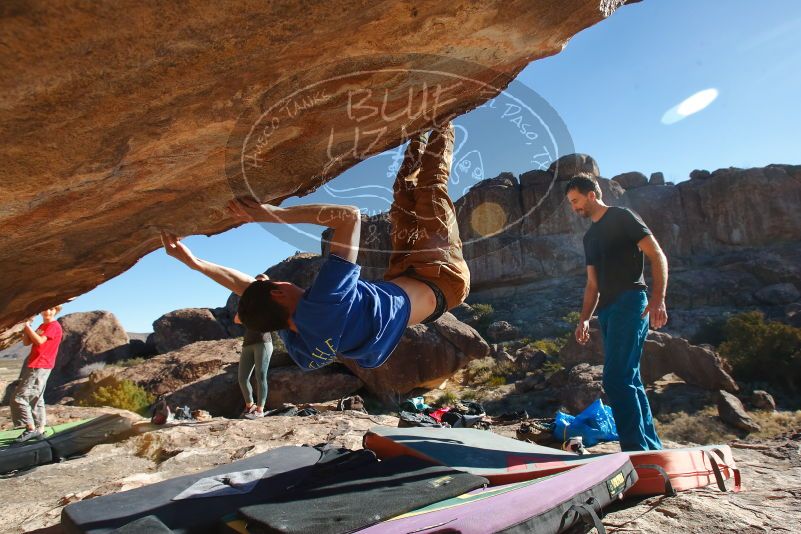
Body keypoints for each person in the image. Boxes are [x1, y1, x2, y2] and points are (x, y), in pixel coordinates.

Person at [161, 122, 468, 374]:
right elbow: (348, 217)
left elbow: (249, 293)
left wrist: (196, 264)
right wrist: (270, 214)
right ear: (278, 293)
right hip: (442, 276)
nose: (279, 281)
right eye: (274, 284)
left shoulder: (301, 343)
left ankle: (420, 131)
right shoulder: (324, 303)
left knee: (403, 193)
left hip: (406, 271)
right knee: (429, 188)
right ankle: (443, 116)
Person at [566, 173, 668, 452]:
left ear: (591, 194)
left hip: (632, 301)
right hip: (609, 311)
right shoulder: (589, 237)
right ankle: (650, 447)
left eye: (576, 201)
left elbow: (657, 254)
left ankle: (636, 451)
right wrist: (584, 318)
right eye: (571, 203)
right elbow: (592, 284)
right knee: (629, 378)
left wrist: (658, 298)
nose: (575, 208)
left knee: (616, 378)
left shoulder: (623, 217)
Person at [11, 306, 64, 442]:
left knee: (19, 397)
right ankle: (40, 429)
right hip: (37, 363)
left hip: (40, 364)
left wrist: (26, 325)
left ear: (56, 311)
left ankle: (30, 428)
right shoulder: (42, 325)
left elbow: (40, 341)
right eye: (45, 309)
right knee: (36, 398)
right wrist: (26, 328)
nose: (47, 311)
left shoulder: (53, 326)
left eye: (51, 309)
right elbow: (27, 342)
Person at [236, 274, 273, 419]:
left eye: (262, 282)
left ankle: (260, 410)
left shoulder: (271, 300)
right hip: (248, 343)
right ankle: (249, 405)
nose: (259, 284)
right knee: (242, 377)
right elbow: (237, 319)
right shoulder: (248, 301)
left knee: (260, 376)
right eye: (256, 282)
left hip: (263, 341)